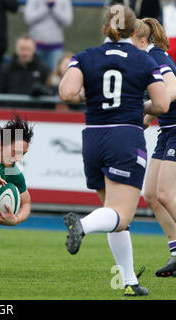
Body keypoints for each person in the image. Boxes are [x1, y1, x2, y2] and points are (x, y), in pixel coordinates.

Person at [58, 4, 169, 296]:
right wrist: (134, 104)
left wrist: (91, 96)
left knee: (113, 213)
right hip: (125, 138)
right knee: (122, 214)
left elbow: (67, 93)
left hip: (93, 138)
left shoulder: (84, 57)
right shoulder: (143, 61)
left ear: (105, 29)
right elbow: (161, 105)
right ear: (134, 31)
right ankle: (81, 225)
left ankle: (129, 281)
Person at [131, 18, 176, 278]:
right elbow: (155, 109)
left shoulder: (157, 57)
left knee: (166, 193)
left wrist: (144, 107)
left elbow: (172, 90)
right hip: (167, 131)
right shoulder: (147, 60)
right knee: (151, 195)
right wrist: (137, 124)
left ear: (142, 41)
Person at [0, 34, 52, 107]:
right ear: (16, 49)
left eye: (28, 49)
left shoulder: (43, 69)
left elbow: (50, 95)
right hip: (9, 114)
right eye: (22, 49)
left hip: (35, 115)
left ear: (34, 49)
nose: (25, 53)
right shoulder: (5, 69)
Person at [24, 0, 74, 72]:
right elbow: (28, 18)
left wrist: (53, 7)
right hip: (36, 46)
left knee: (56, 77)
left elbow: (68, 21)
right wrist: (46, 7)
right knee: (34, 75)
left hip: (56, 47)